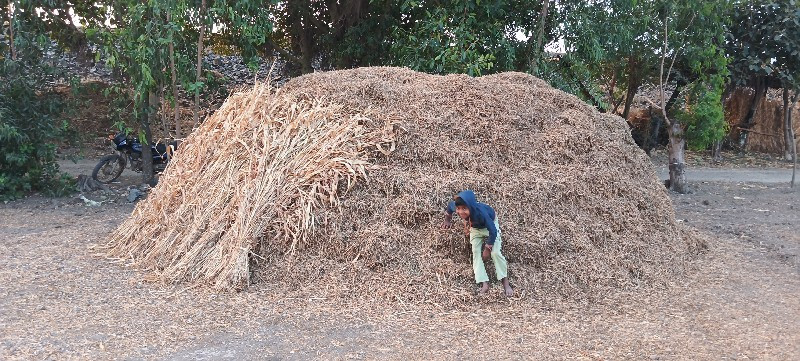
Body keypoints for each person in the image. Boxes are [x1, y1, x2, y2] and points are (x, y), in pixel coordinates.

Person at [442, 190, 513, 297]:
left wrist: (487, 248)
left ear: (471, 207)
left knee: (495, 253)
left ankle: (505, 283)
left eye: (464, 209)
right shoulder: (456, 206)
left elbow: (493, 231)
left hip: (489, 226)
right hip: (475, 228)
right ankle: (484, 282)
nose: (461, 212)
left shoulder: (482, 213)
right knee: (475, 252)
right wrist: (447, 220)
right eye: (459, 209)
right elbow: (450, 207)